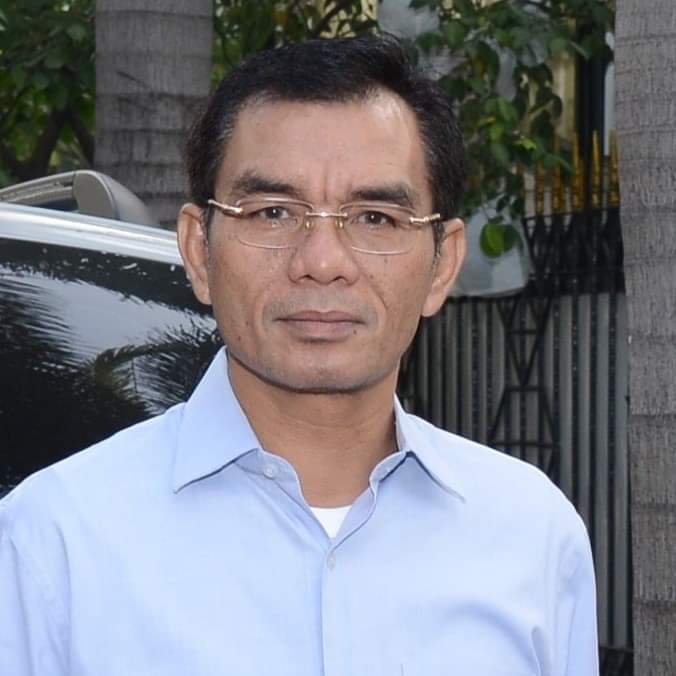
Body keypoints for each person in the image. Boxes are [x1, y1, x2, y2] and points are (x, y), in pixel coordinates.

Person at [0, 34, 598, 676]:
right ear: (199, 250)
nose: (322, 262)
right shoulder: (54, 542)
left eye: (375, 218)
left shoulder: (534, 537)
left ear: (441, 265)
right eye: (273, 212)